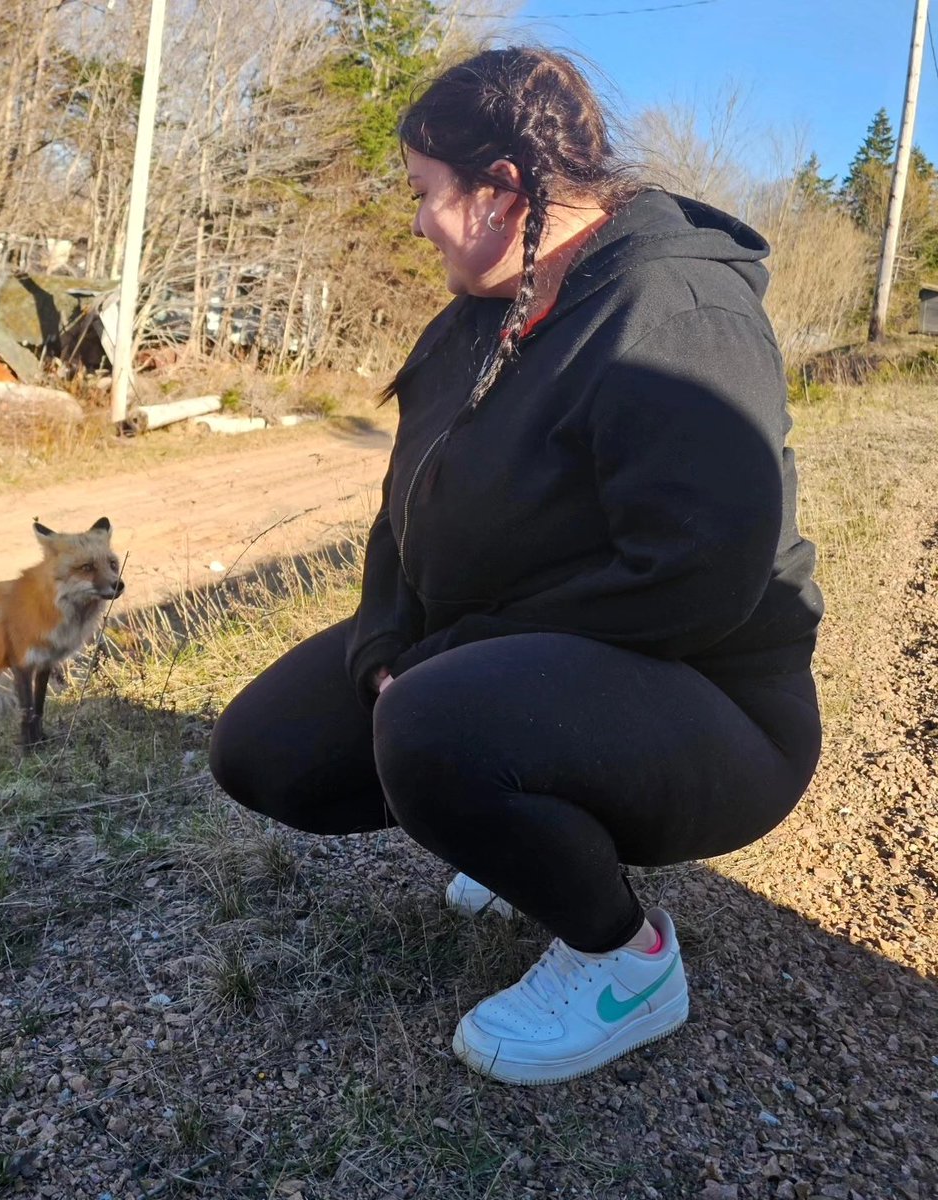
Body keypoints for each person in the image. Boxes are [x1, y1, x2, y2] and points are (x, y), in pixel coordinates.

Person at [209, 46, 823, 1086]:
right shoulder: (484, 312)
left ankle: (624, 959)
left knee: (436, 722)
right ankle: (520, 823)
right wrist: (386, 647)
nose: (415, 222)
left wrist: (450, 660)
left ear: (503, 190)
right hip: (513, 663)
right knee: (265, 749)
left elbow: (700, 578)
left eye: (425, 195)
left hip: (712, 705)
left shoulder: (675, 312)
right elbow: (404, 511)